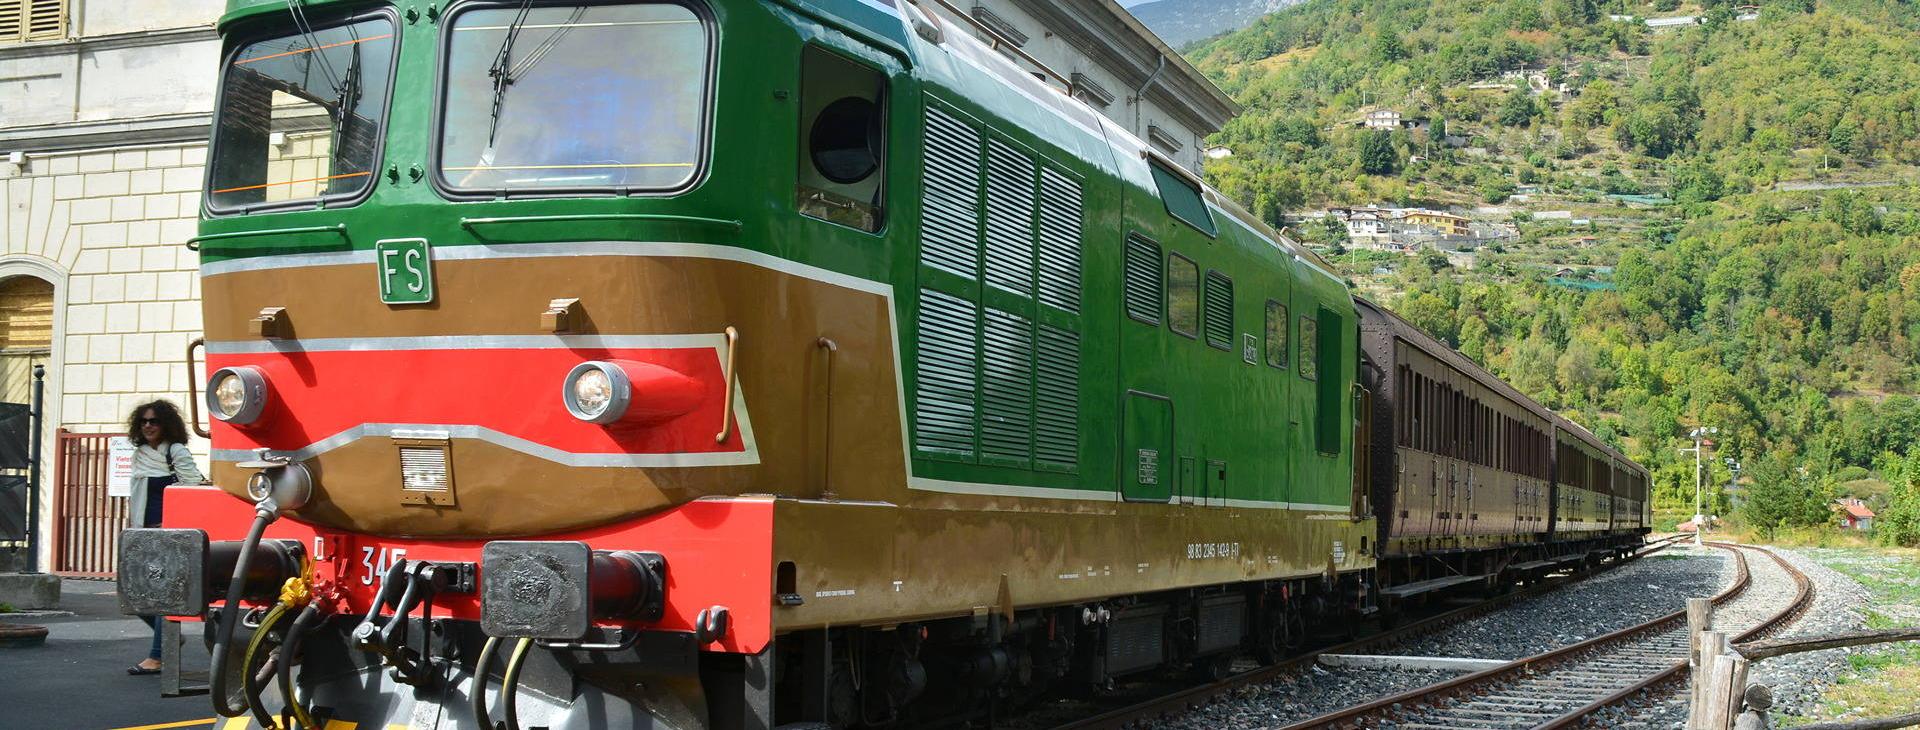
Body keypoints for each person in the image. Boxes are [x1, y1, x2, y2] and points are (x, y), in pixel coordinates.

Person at [123, 400, 205, 676]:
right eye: (144, 421)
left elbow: (193, 484)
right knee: (132, 592)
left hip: (169, 534)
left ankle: (157, 656)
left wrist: (173, 518)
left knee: (162, 596)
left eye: (154, 421)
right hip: (143, 533)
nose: (148, 426)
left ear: (165, 424)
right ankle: (169, 638)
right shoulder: (140, 454)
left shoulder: (175, 451)